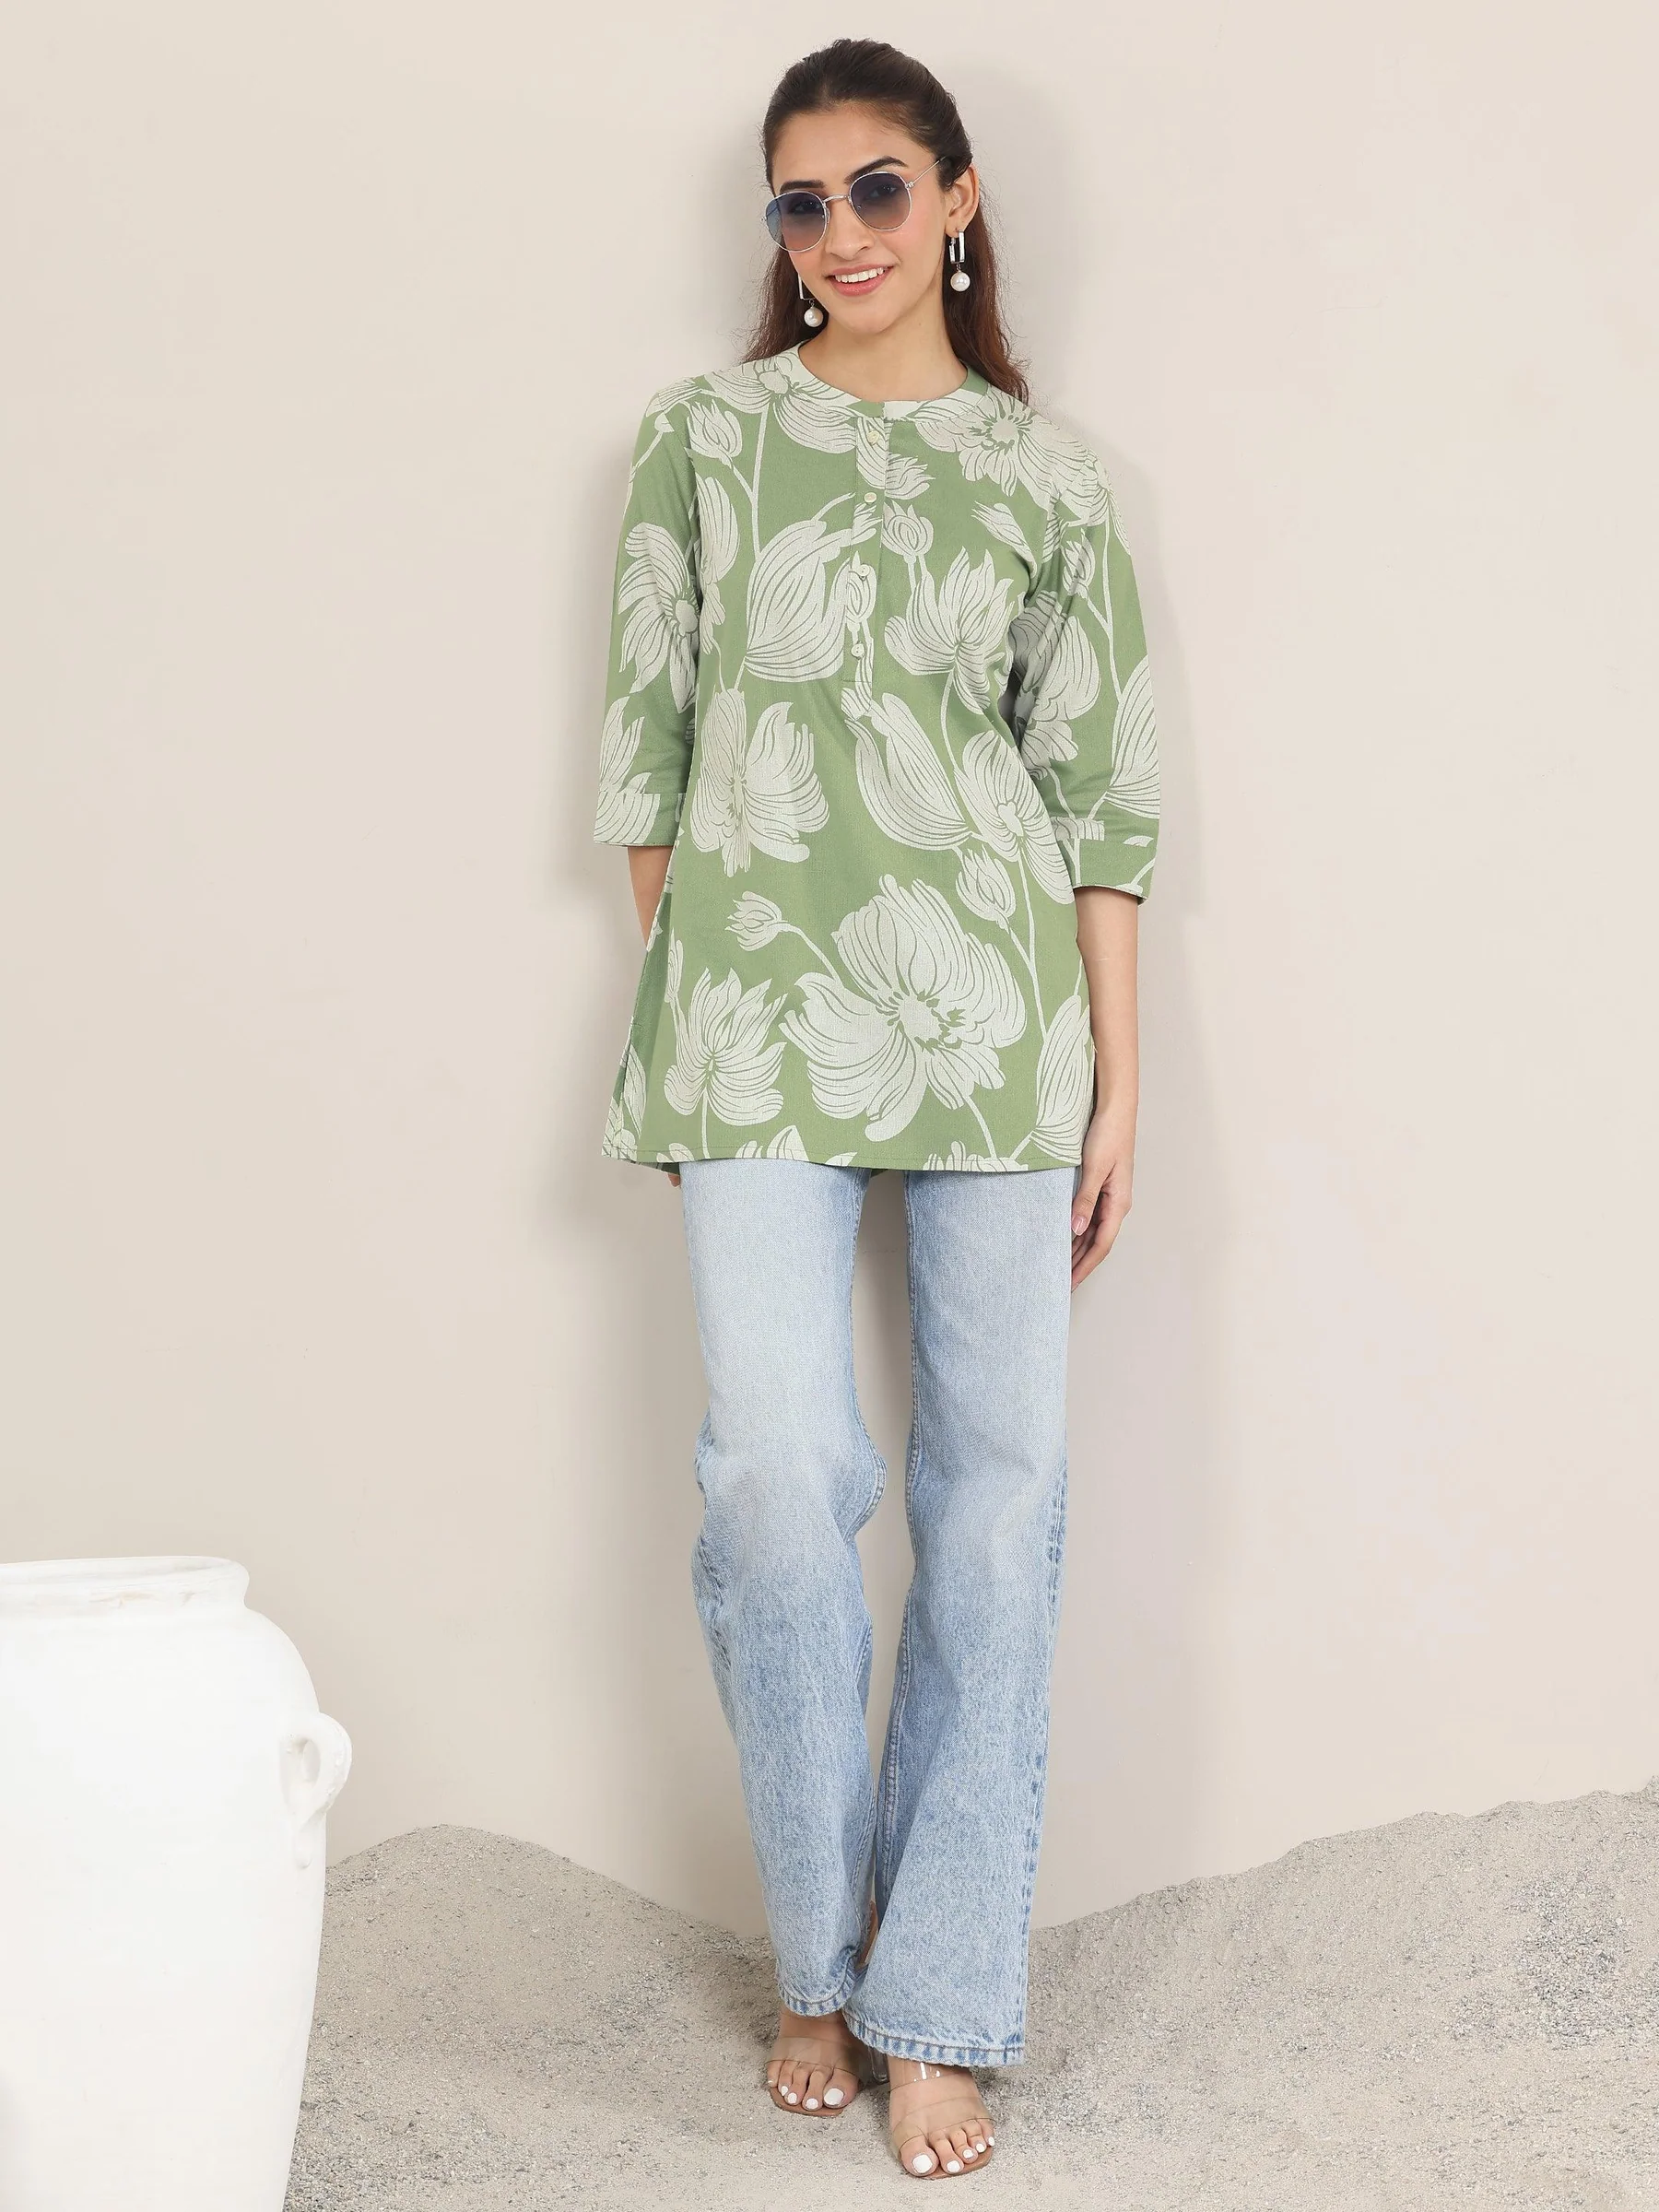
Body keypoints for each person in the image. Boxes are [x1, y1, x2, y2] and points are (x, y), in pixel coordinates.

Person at [591, 35, 1160, 2183]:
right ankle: (816, 1954)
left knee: (997, 1507)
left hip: (1003, 1025)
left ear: (960, 197)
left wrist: (1121, 1081)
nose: (841, 236)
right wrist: (710, 964)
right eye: (803, 204)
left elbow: (1102, 802)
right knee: (773, 1477)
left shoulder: (1047, 478)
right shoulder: (704, 442)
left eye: (879, 191)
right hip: (752, 1032)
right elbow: (647, 762)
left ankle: (939, 2009)